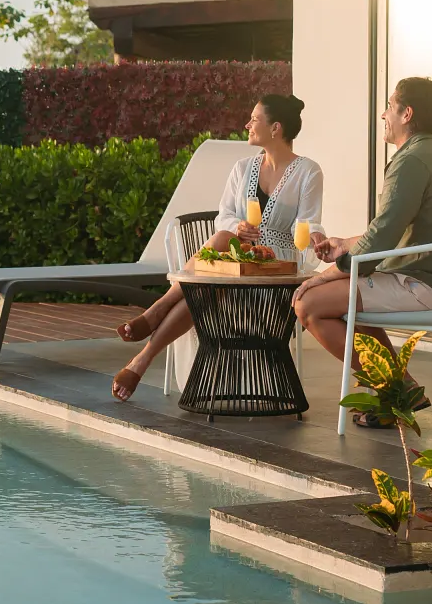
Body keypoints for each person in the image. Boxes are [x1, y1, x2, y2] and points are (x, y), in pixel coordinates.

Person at [111, 93, 323, 401]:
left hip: (276, 268)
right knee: (212, 270)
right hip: (235, 264)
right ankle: (141, 359)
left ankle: (155, 318)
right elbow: (224, 215)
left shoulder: (308, 172)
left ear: (275, 128)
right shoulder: (241, 168)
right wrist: (238, 227)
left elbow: (309, 224)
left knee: (209, 277)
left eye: (254, 119)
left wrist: (315, 239)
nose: (247, 124)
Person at [292, 76, 432, 425]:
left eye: (389, 106)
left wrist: (325, 275)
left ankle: (397, 391)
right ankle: (401, 389)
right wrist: (345, 245)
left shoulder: (412, 161)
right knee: (342, 299)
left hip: (424, 284)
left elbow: (383, 237)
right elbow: (391, 230)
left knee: (308, 304)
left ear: (406, 113)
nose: (383, 114)